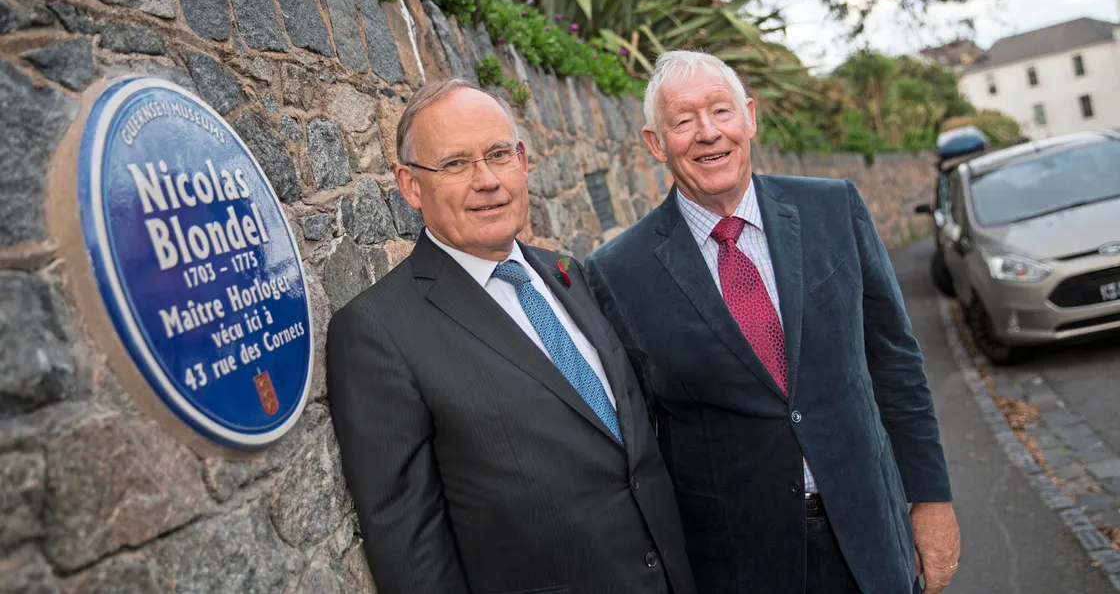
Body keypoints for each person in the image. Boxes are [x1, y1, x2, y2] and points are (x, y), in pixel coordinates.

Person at [584, 51, 960, 594]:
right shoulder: (619, 273)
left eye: (721, 111)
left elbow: (896, 364)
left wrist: (932, 500)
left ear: (750, 117)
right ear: (655, 143)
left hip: (872, 534)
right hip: (739, 564)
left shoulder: (833, 208)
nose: (708, 133)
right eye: (683, 121)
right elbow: (641, 442)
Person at [326, 78, 696, 594]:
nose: (487, 180)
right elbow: (409, 551)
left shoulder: (570, 274)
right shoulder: (376, 331)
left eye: (498, 154)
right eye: (455, 163)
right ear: (410, 185)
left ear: (522, 160)